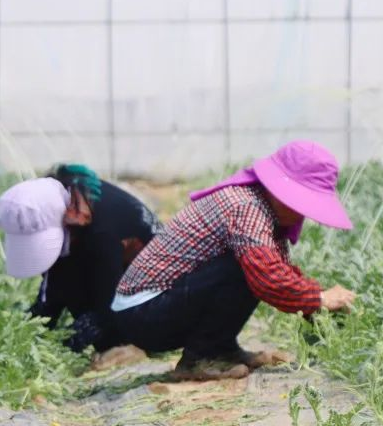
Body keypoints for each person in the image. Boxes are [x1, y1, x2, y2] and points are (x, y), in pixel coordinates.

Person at [111, 140, 357, 380]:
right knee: (248, 267)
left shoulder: (264, 210)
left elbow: (281, 272)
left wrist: (317, 301)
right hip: (143, 312)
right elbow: (269, 278)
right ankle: (201, 357)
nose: (302, 211)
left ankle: (222, 348)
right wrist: (319, 298)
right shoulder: (246, 206)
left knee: (253, 264)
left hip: (157, 307)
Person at [0, 164, 159, 356]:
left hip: (150, 286)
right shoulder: (67, 200)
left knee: (108, 336)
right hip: (104, 256)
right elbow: (54, 281)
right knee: (62, 283)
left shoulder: (103, 233)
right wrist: (30, 329)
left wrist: (83, 332)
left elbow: (111, 302)